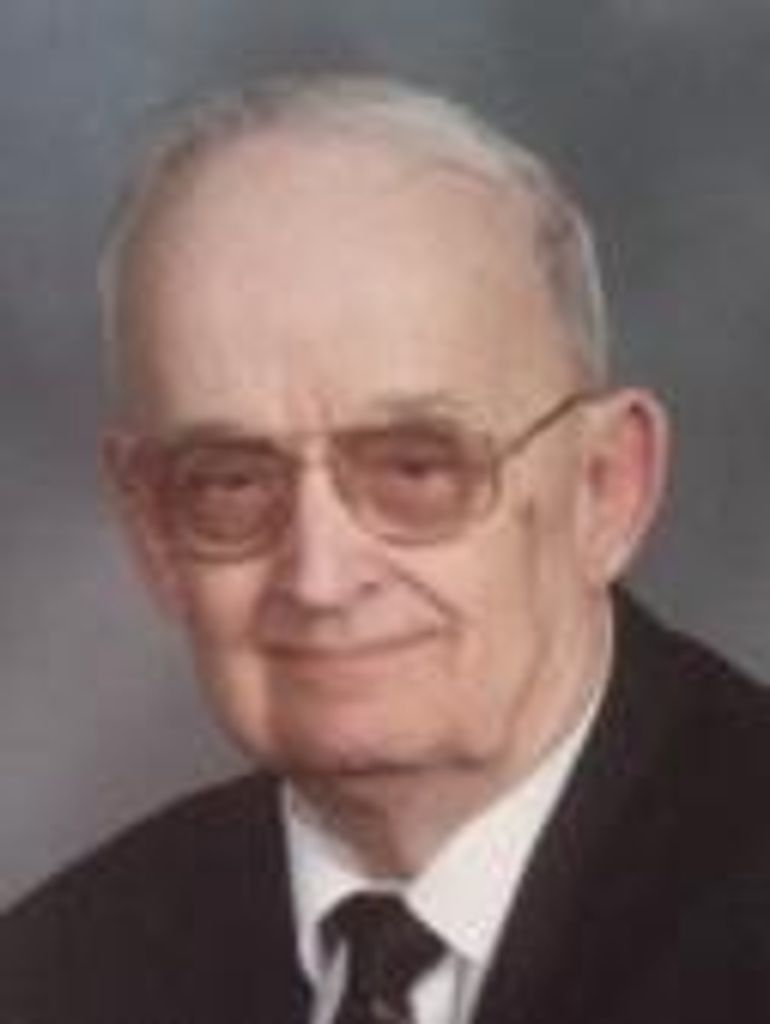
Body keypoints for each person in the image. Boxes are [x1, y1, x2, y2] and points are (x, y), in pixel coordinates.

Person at [3, 74, 770, 1024]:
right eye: (231, 482)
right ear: (152, 530)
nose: (320, 578)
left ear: (603, 489)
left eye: (416, 467)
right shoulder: (56, 975)